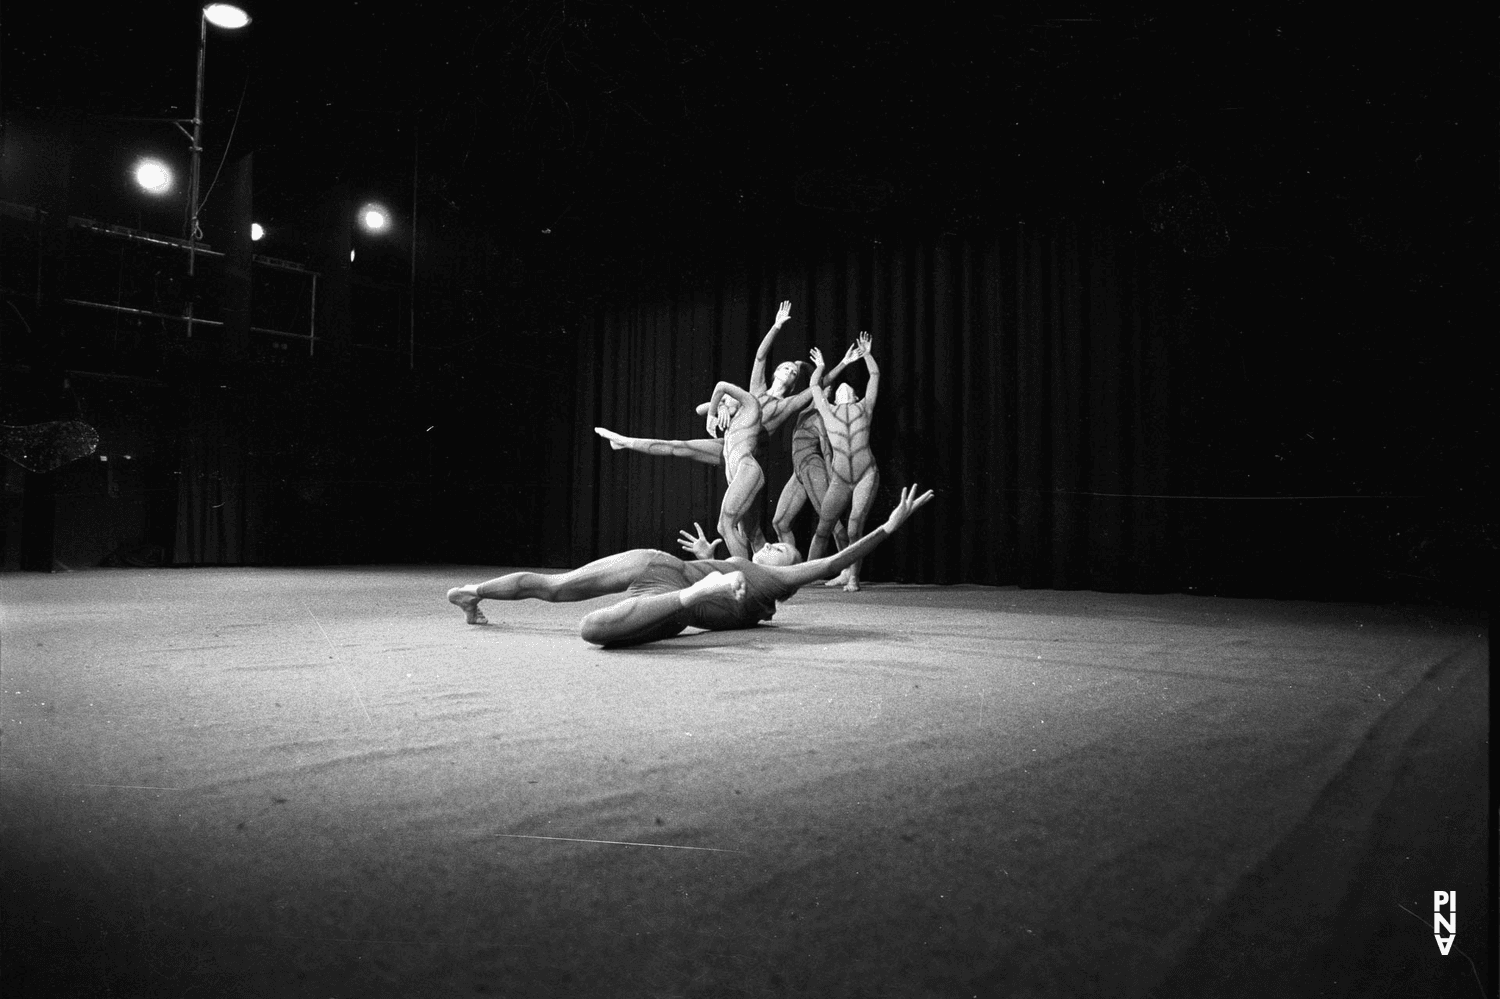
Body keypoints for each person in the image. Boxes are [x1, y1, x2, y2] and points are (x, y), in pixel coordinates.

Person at [445, 484, 935, 647]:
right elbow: (733, 568)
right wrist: (710, 561)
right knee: (559, 594)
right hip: (672, 583)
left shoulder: (780, 581)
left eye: (779, 550)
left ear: (787, 574)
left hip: (667, 590)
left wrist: (888, 526)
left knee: (586, 624)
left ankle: (475, 593)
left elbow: (834, 559)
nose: (769, 550)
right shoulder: (743, 566)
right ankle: (474, 594)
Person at [595, 379, 767, 558]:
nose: (724, 400)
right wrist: (720, 406)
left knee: (725, 525)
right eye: (721, 400)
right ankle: (625, 442)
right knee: (752, 533)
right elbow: (695, 416)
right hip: (739, 477)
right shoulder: (728, 437)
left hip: (748, 470)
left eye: (728, 399)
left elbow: (721, 386)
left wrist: (712, 414)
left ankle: (745, 578)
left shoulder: (751, 408)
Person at [807, 332, 879, 591]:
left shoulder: (865, 408)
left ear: (855, 395)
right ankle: (804, 576)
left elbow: (874, 376)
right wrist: (821, 368)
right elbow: (815, 387)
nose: (844, 386)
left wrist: (867, 355)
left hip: (865, 474)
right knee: (823, 527)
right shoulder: (827, 411)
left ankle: (853, 577)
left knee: (853, 526)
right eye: (839, 388)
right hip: (839, 478)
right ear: (834, 398)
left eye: (849, 388)